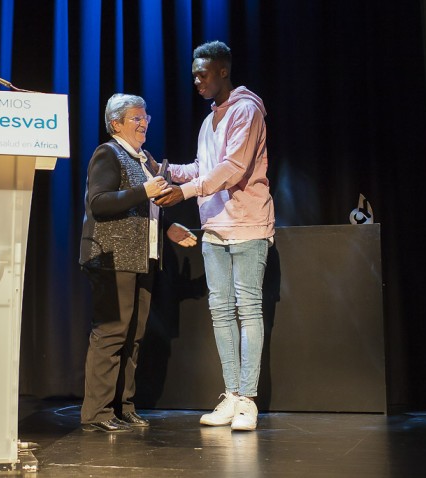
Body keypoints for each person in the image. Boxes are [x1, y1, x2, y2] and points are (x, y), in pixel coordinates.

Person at [156, 40, 275, 431]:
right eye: (193, 74)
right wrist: (169, 171)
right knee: (221, 312)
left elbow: (233, 168)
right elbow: (204, 167)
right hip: (214, 228)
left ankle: (248, 400)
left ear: (223, 71)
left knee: (248, 309)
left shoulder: (246, 110)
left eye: (202, 73)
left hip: (248, 225)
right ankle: (231, 394)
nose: (196, 80)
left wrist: (186, 191)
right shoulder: (210, 120)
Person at [79, 93, 171, 433]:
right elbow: (99, 204)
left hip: (141, 257)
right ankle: (98, 411)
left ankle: (124, 406)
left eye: (146, 117)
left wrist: (169, 226)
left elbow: (146, 205)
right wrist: (143, 192)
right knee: (111, 333)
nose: (144, 122)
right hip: (111, 256)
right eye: (136, 117)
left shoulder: (143, 158)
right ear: (116, 123)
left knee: (134, 335)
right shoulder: (108, 153)